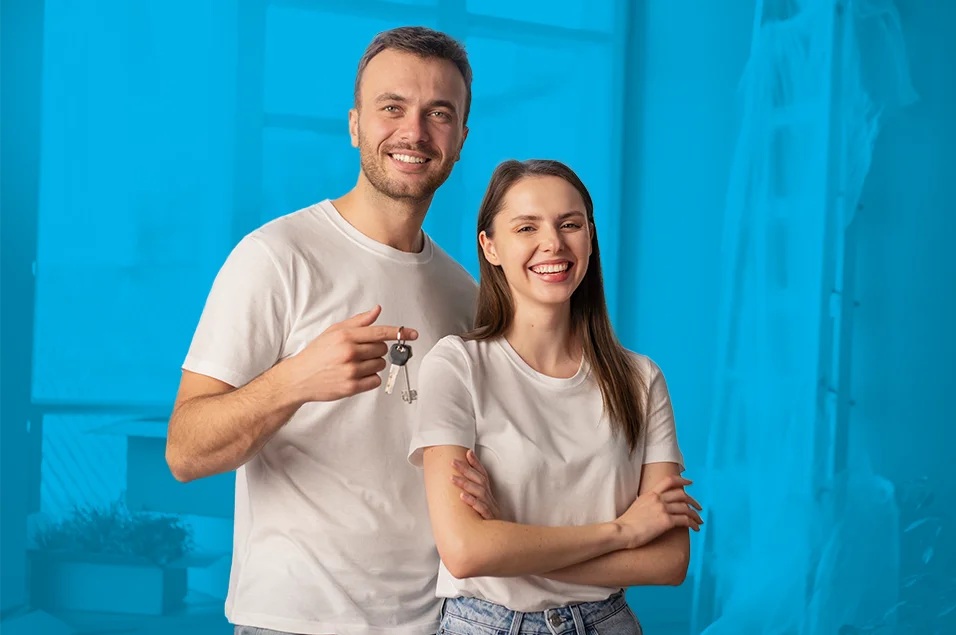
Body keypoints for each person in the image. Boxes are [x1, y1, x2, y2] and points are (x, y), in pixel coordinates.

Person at [166, 26, 498, 635]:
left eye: (438, 113)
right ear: (354, 125)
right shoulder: (276, 256)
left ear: (460, 140)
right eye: (392, 107)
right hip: (292, 620)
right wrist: (294, 380)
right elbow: (185, 451)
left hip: (439, 621)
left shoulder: (467, 296)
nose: (414, 132)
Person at [408, 159, 704, 635]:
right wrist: (623, 532)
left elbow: (668, 561)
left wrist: (511, 540)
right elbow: (466, 551)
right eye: (527, 226)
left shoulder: (640, 380)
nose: (554, 243)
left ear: (589, 237)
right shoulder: (457, 365)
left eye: (571, 224)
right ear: (491, 246)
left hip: (608, 623)